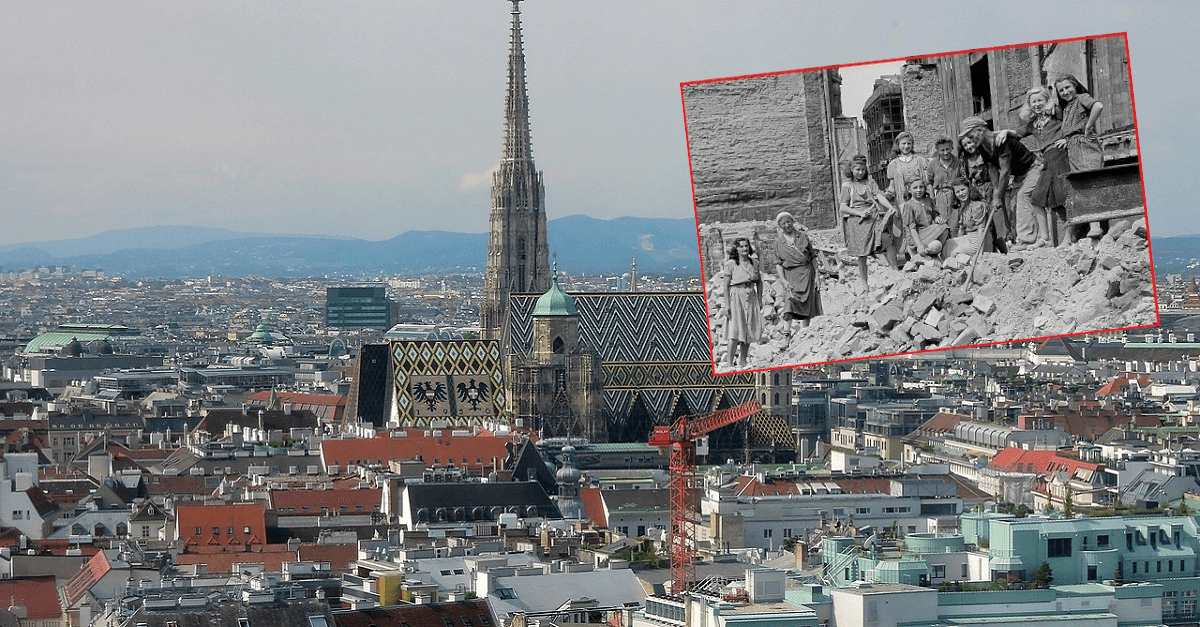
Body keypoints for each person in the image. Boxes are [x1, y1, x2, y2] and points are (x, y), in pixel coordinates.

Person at [959, 116, 1044, 250]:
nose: (971, 140)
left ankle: (1029, 240)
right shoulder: (982, 146)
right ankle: (1024, 240)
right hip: (1019, 175)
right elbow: (992, 168)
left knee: (1022, 197)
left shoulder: (1001, 141)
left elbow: (1005, 171)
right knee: (1015, 204)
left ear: (980, 130)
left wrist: (999, 197)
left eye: (971, 135)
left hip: (1032, 168)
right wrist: (995, 190)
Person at [1014, 86, 1068, 245]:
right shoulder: (1033, 124)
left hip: (1059, 156)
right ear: (1029, 105)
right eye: (1033, 102)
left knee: (1062, 197)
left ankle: (1069, 237)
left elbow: (1071, 123)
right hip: (1046, 160)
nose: (1037, 104)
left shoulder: (1056, 114)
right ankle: (1045, 237)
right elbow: (1017, 133)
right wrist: (1003, 133)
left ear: (1047, 101)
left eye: (1040, 100)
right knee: (1037, 198)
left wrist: (1067, 139)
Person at [1055, 74, 1106, 238]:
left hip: (1085, 145)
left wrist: (1089, 127)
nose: (1065, 92)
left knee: (1089, 182)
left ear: (1075, 86)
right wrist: (1067, 140)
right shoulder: (1067, 108)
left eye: (1067, 87)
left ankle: (1095, 226)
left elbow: (1098, 106)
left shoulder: (1082, 98)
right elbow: (1072, 128)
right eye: (1061, 90)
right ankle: (1093, 226)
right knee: (1082, 186)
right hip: (1074, 147)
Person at [840, 154, 899, 292]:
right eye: (857, 170)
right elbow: (843, 207)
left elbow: (879, 196)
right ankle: (865, 285)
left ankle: (896, 273)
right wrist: (859, 213)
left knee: (887, 241)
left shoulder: (870, 182)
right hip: (857, 223)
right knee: (862, 255)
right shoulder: (847, 186)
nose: (860, 172)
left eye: (862, 170)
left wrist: (890, 207)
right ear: (851, 170)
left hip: (873, 219)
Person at [773, 211, 822, 334]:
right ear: (780, 226)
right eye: (783, 223)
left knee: (807, 303)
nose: (787, 225)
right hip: (791, 275)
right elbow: (778, 263)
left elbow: (813, 257)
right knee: (790, 303)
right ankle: (786, 332)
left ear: (793, 222)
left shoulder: (803, 236)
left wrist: (817, 275)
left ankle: (804, 332)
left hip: (806, 273)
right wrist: (783, 280)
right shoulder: (778, 243)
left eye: (788, 222)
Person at [721, 237, 762, 368]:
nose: (744, 249)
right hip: (736, 296)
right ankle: (729, 363)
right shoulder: (731, 264)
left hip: (750, 295)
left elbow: (759, 282)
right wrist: (727, 304)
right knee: (734, 331)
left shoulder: (754, 263)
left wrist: (760, 299)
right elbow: (726, 286)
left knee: (749, 329)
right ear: (737, 249)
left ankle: (743, 360)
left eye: (746, 246)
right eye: (741, 246)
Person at [899, 179, 948, 262]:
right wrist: (919, 245)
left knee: (944, 227)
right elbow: (912, 228)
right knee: (936, 245)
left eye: (921, 187)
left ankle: (930, 253)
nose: (918, 190)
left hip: (928, 232)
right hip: (917, 236)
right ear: (909, 190)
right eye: (915, 188)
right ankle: (918, 251)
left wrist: (937, 218)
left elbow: (934, 215)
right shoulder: (909, 205)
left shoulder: (928, 201)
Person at [942, 178, 989, 259]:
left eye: (963, 190)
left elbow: (981, 230)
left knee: (954, 253)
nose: (961, 193)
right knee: (947, 244)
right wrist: (957, 243)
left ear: (969, 188)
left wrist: (980, 253)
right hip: (968, 237)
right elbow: (961, 229)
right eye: (958, 192)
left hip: (979, 239)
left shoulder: (977, 205)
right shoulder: (963, 207)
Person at [886, 131, 931, 206]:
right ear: (898, 145)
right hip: (903, 202)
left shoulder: (921, 160)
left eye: (909, 143)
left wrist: (931, 200)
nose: (906, 146)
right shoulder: (893, 164)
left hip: (921, 201)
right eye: (903, 144)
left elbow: (928, 182)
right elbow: (892, 186)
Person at [928, 136, 962, 236]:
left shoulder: (958, 162)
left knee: (955, 225)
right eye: (942, 150)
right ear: (938, 150)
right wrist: (932, 198)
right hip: (940, 197)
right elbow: (929, 182)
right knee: (942, 226)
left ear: (952, 148)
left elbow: (963, 179)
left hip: (955, 197)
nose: (945, 152)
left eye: (947, 149)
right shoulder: (932, 164)